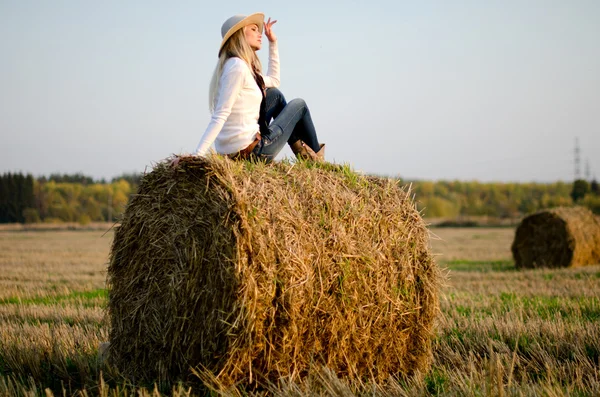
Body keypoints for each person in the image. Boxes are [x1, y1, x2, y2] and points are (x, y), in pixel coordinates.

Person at [194, 13, 325, 162]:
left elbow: (274, 81)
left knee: (274, 94)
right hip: (252, 152)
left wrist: (273, 43)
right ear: (241, 35)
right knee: (299, 105)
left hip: (241, 150)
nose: (259, 34)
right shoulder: (238, 68)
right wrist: (197, 154)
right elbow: (221, 114)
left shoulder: (241, 68)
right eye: (254, 29)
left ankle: (308, 156)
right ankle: (315, 159)